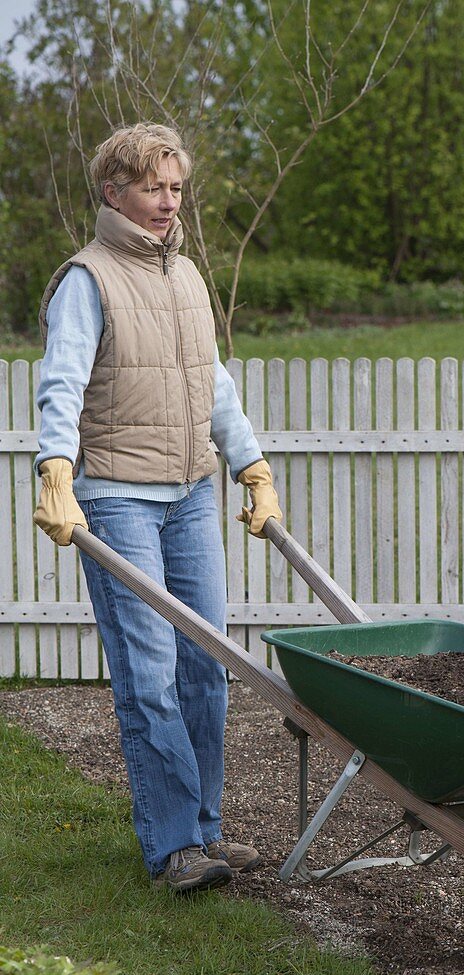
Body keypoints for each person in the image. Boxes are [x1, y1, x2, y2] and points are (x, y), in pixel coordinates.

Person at [33, 123, 282, 893]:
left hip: (189, 492)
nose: (168, 202)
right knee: (149, 674)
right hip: (115, 497)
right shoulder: (88, 278)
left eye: (176, 188)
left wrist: (251, 462)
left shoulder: (186, 277)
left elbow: (214, 384)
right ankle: (173, 846)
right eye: (152, 188)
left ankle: (205, 830)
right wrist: (55, 467)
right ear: (114, 191)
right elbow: (62, 381)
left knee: (208, 668)